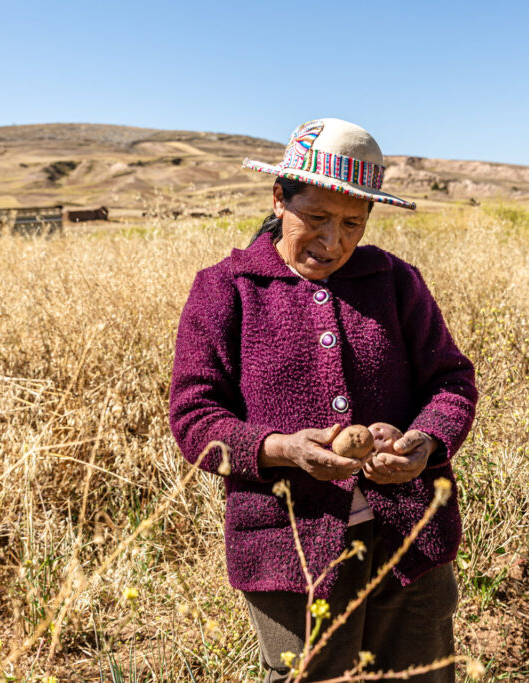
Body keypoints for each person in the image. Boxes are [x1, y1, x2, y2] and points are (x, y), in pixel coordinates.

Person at [168, 118, 477, 682]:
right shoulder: (226, 288)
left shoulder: (396, 282)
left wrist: (422, 442)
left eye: (351, 224)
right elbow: (194, 415)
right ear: (278, 200)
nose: (333, 241)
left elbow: (451, 382)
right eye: (315, 218)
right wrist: (281, 449)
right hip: (289, 552)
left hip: (409, 537)